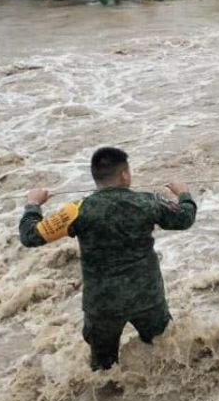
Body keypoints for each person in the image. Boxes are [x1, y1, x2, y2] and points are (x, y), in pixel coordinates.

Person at [19, 147, 196, 371]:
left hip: (102, 304)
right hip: (147, 298)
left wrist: (33, 204)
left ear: (96, 177)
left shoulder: (75, 211)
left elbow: (30, 235)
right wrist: (183, 193)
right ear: (124, 175)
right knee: (164, 354)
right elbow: (185, 218)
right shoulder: (147, 202)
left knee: (103, 369)